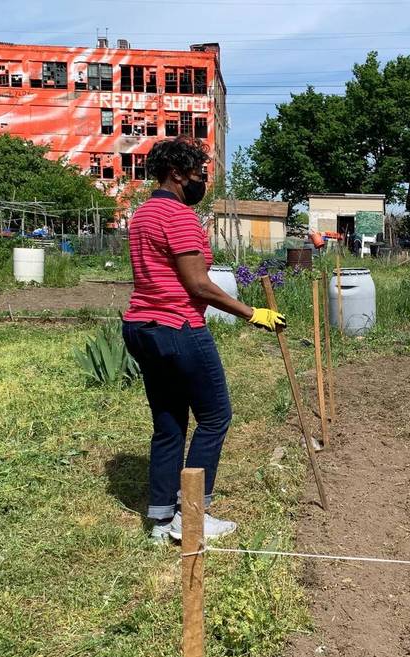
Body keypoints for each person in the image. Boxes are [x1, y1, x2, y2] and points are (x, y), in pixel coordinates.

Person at [121, 138, 286, 542]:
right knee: (214, 417)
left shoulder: (142, 215)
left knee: (169, 422)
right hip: (177, 327)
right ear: (176, 173)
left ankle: (161, 519)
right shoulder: (178, 216)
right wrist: (252, 313)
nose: (201, 182)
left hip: (140, 327)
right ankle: (192, 515)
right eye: (198, 173)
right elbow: (197, 285)